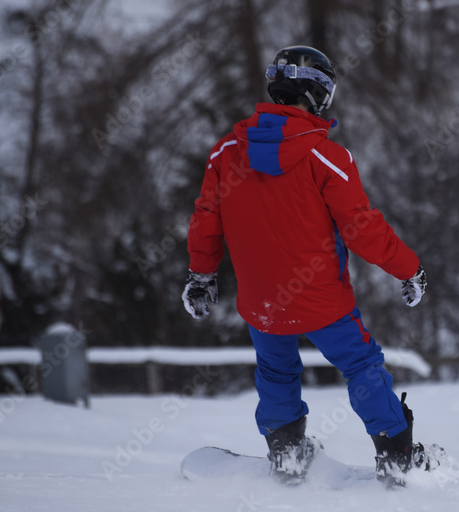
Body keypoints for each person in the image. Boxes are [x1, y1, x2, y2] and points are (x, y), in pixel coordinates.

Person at [181, 45, 438, 486]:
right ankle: (399, 457)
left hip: (261, 301)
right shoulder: (326, 157)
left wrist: (201, 276)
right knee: (361, 366)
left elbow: (207, 219)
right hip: (322, 299)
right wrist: (408, 268)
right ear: (318, 95)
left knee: (276, 371)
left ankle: (287, 455)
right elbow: (362, 229)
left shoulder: (226, 153)